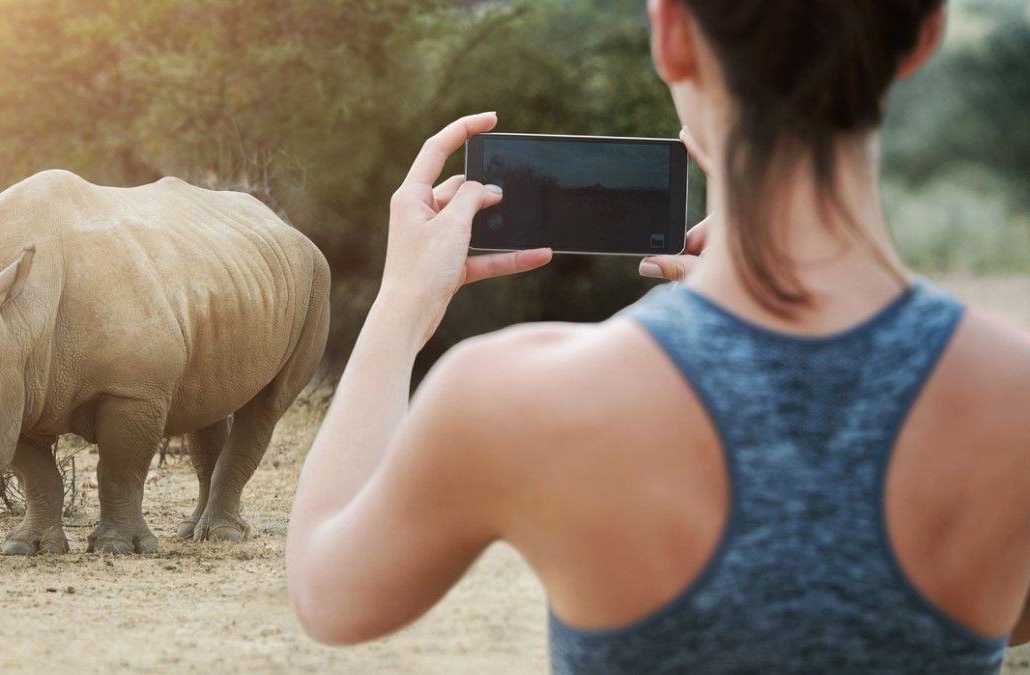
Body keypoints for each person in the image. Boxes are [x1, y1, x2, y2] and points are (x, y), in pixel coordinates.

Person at [285, 0, 1030, 672]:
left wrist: (403, 303)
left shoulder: (515, 395)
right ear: (925, 35)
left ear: (670, 34)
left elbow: (328, 592)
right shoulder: (1013, 396)